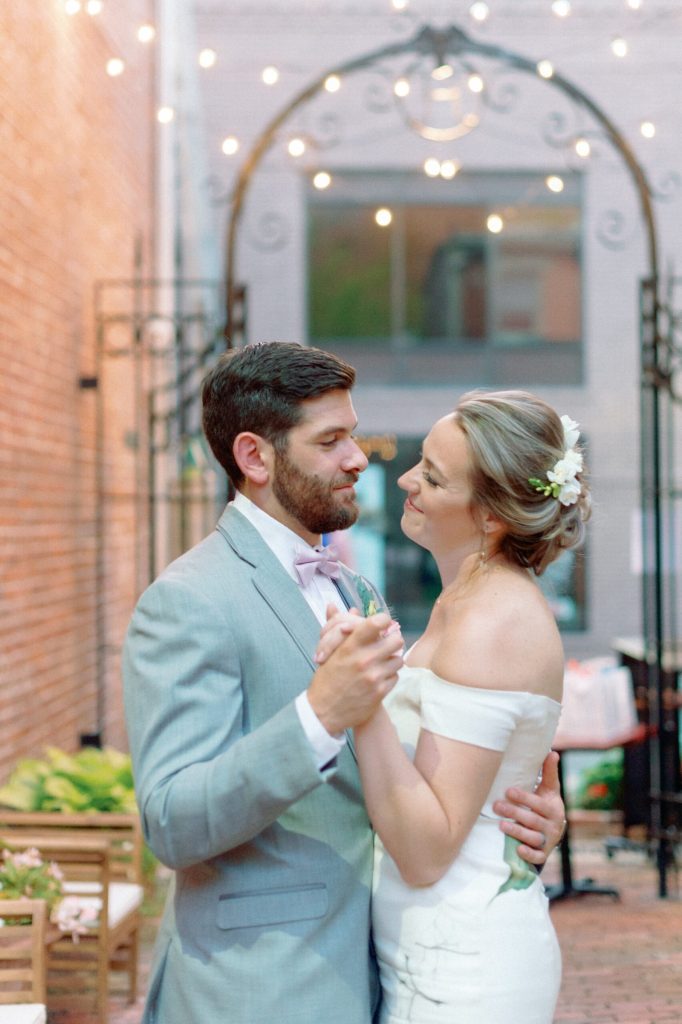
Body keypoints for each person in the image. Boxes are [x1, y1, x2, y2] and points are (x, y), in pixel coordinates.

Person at [122, 344, 567, 1024]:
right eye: (331, 441)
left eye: (352, 435)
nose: (360, 459)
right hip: (262, 987)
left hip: (389, 967)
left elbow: (415, 780)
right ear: (255, 457)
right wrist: (317, 716)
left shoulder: (355, 590)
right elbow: (172, 821)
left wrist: (510, 825)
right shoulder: (189, 599)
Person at [316, 389, 590, 1023]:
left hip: (464, 969)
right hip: (425, 949)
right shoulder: (462, 603)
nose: (407, 478)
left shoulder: (494, 621)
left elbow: (427, 848)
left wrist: (359, 698)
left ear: (491, 515)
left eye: (433, 477)